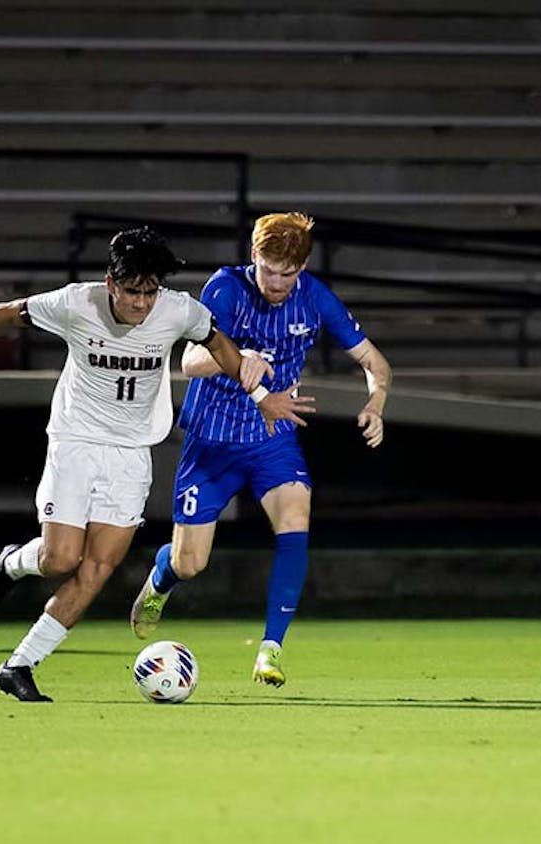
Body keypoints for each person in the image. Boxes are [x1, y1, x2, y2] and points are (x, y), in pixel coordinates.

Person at [0, 226, 271, 702]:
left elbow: (217, 342)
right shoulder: (78, 303)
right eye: (133, 291)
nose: (142, 303)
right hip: (75, 442)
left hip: (133, 453)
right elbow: (12, 312)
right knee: (59, 559)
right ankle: (13, 563)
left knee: (97, 568)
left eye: (150, 291)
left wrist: (258, 391)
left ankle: (19, 665)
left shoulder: (178, 310)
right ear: (111, 283)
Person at [129, 212, 392, 687]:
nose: (276, 282)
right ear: (254, 256)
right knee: (192, 563)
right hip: (212, 439)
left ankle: (270, 650)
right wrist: (236, 357)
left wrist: (377, 399)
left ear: (303, 266)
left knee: (296, 514)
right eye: (268, 269)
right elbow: (189, 361)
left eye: (287, 273)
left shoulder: (315, 298)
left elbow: (375, 361)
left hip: (273, 437)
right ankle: (162, 576)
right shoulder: (226, 289)